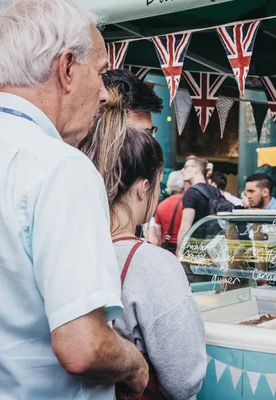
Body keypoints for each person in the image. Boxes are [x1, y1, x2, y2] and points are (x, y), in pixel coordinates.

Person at [0, 1, 148, 398]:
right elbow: (84, 347)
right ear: (66, 69)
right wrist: (134, 364)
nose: (102, 94)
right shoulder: (60, 166)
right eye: (98, 74)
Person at [79, 90, 206, 399]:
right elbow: (184, 378)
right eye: (158, 183)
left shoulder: (71, 249)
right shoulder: (152, 263)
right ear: (143, 186)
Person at [177, 155, 224, 251]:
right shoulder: (215, 191)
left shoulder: (191, 192)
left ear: (196, 169)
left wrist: (179, 251)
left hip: (196, 248)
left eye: (186, 167)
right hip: (213, 247)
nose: (182, 171)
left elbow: (184, 228)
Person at [155, 171, 185, 254]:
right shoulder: (187, 205)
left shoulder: (161, 205)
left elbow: (158, 235)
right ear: (183, 184)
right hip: (183, 247)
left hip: (166, 247)